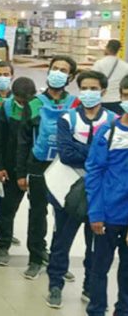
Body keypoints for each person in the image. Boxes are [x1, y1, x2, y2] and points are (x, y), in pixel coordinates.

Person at [46, 70, 115, 308]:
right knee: (61, 240)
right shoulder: (68, 119)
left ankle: (89, 286)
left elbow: (114, 157)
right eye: (84, 88)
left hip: (99, 192)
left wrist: (82, 150)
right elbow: (66, 154)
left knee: (95, 243)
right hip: (66, 188)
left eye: (93, 88)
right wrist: (97, 154)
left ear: (103, 91)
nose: (88, 93)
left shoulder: (113, 121)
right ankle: (55, 284)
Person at [17, 55, 79, 280]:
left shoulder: (75, 104)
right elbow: (23, 140)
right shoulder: (34, 103)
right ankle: (35, 258)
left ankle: (58, 261)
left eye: (63, 70)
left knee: (63, 215)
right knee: (37, 212)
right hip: (38, 165)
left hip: (65, 167)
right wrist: (21, 172)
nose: (58, 73)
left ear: (70, 77)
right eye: (55, 68)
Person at [84, 74, 128, 316]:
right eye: (126, 96)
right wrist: (96, 213)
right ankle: (96, 310)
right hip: (108, 215)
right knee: (99, 268)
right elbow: (94, 174)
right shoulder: (108, 132)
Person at [0, 77, 37, 266]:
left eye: (26, 100)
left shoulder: (39, 107)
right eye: (20, 100)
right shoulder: (7, 108)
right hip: (10, 167)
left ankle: (38, 252)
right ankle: (3, 245)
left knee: (38, 213)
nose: (23, 103)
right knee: (7, 208)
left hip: (35, 167)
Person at [92, 39, 128, 114]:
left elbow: (92, 80)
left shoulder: (99, 64)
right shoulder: (125, 66)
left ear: (107, 48)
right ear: (118, 50)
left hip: (101, 99)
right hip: (118, 100)